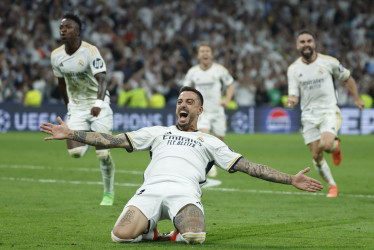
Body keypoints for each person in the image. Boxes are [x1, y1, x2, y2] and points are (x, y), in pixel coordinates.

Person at [40, 86, 323, 245]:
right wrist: (72, 134)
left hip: (184, 193)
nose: (182, 105)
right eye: (179, 101)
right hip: (149, 191)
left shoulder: (210, 141)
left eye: (189, 102)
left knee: (195, 236)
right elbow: (112, 140)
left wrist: (291, 179)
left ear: (200, 110)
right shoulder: (157, 132)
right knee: (119, 236)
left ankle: (171, 230)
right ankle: (153, 233)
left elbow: (249, 166)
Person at [286, 30, 364, 198]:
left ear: (314, 44)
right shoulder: (293, 69)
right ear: (298, 46)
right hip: (308, 116)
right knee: (316, 154)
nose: (306, 44)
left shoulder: (329, 62)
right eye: (302, 42)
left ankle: (335, 147)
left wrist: (357, 99)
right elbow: (293, 93)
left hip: (328, 111)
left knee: (326, 145)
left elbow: (348, 78)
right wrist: (291, 101)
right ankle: (332, 186)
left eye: (309, 41)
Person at [50, 13, 116, 205]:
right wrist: (68, 107)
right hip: (77, 108)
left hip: (98, 104)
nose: (63, 30)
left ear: (77, 31)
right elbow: (61, 83)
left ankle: (109, 193)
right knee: (75, 153)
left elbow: (102, 78)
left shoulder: (90, 51)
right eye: (61, 27)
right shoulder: (56, 56)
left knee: (103, 155)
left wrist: (98, 104)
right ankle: (92, 136)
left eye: (68, 27)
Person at [183, 42, 235, 177]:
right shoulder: (192, 72)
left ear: (211, 55)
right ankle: (207, 165)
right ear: (198, 55)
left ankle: (213, 161)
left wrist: (227, 100)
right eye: (202, 51)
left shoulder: (220, 70)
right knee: (203, 137)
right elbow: (185, 90)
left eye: (207, 51)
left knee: (219, 141)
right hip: (202, 111)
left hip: (218, 111)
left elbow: (230, 86)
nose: (205, 53)